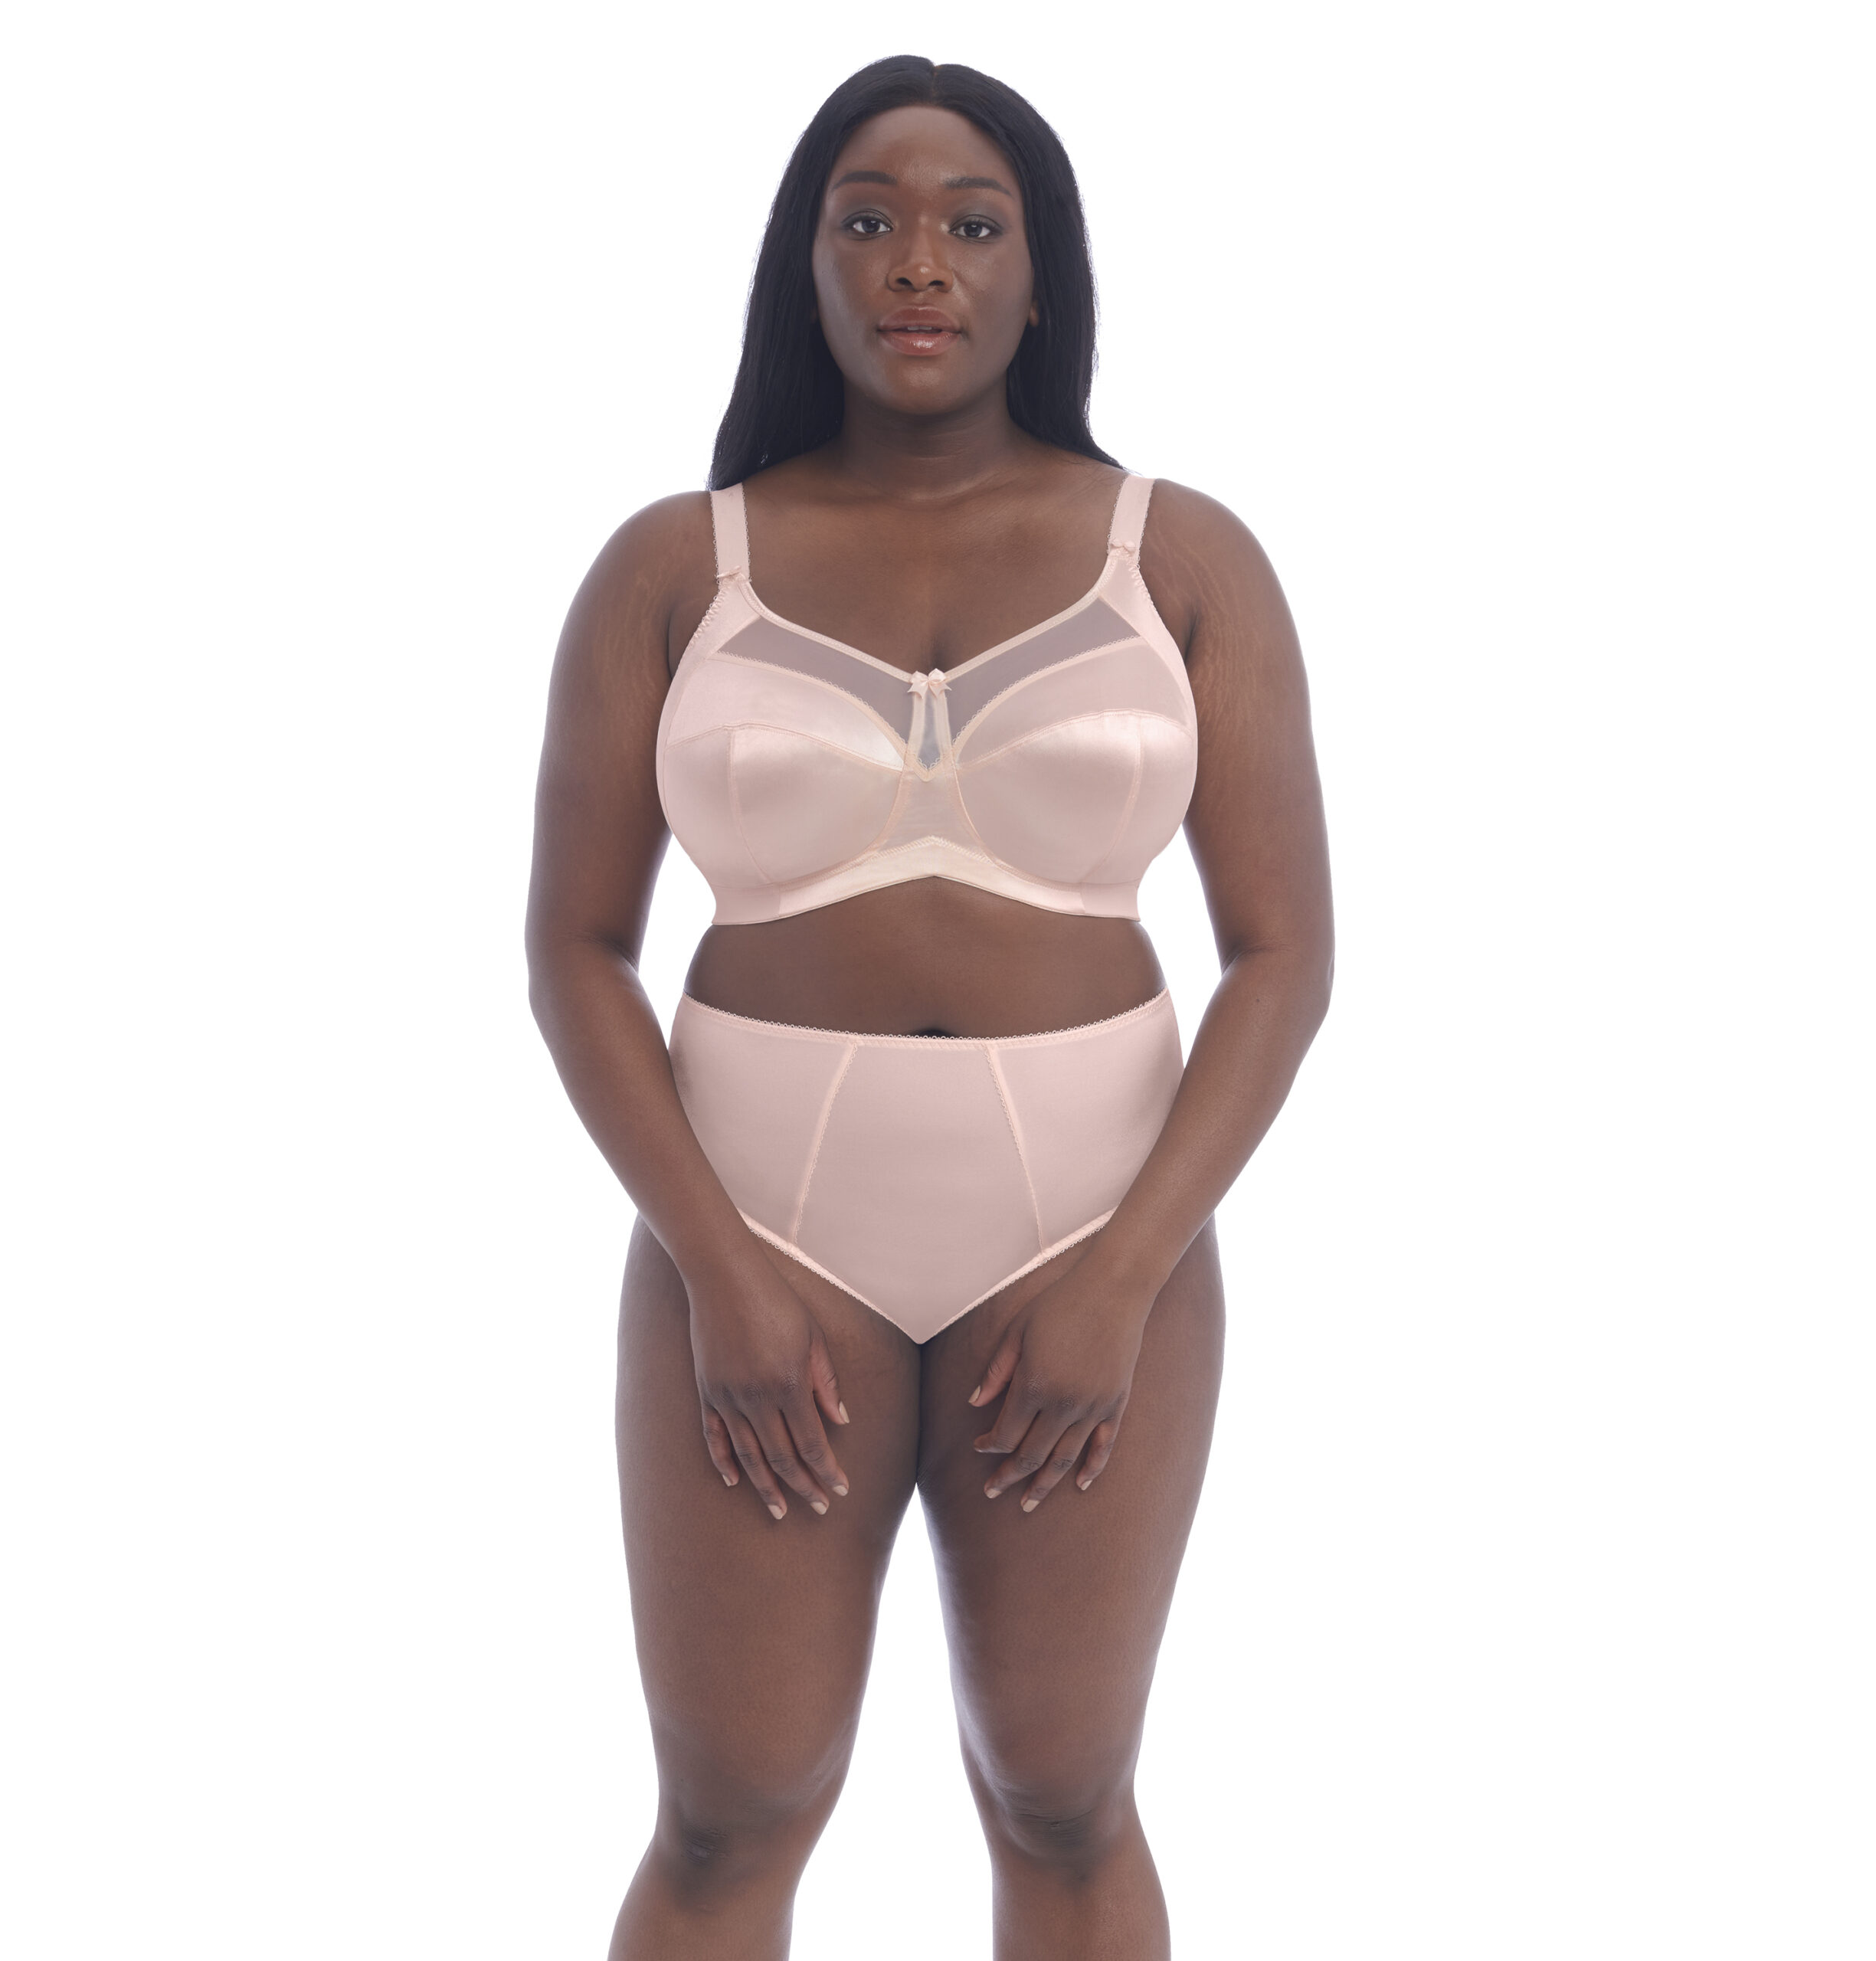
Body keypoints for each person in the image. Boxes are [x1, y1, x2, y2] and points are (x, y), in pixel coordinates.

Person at [527, 53, 1333, 1961]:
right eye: (867, 219)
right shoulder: (673, 567)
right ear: (802, 261)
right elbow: (573, 946)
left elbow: (1282, 952)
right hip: (755, 1230)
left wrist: (1124, 1269)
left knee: (1060, 1791)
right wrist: (713, 1263)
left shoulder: (1180, 557)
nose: (918, 261)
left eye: (973, 223)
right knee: (729, 1810)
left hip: (1089, 1227)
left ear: (1038, 276)